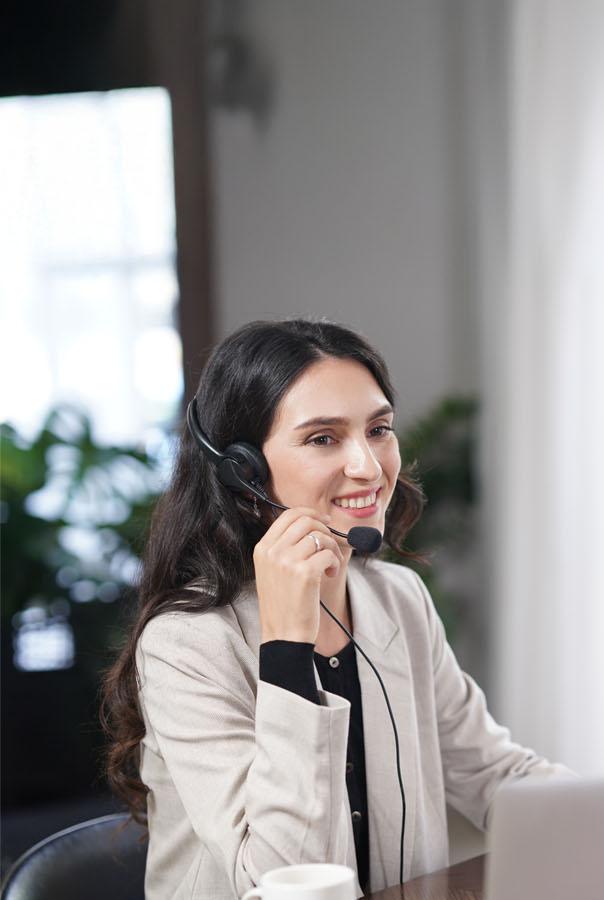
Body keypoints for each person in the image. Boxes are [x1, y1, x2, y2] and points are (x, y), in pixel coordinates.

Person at [99, 319, 570, 898]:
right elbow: (280, 879)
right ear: (242, 470)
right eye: (323, 438)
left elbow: (493, 773)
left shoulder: (398, 600)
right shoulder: (187, 643)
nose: (368, 467)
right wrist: (288, 645)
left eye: (379, 430)